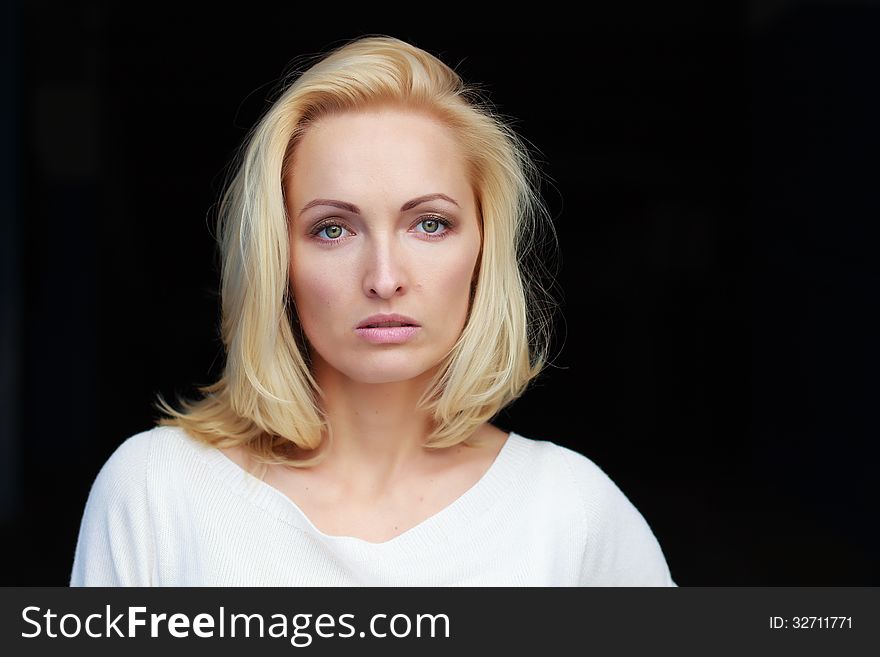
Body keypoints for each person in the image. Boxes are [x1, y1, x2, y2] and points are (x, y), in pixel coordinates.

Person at [70, 35, 676, 586]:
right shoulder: (155, 491)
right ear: (277, 260)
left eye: (430, 223)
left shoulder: (572, 513)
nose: (384, 279)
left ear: (483, 250)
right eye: (332, 229)